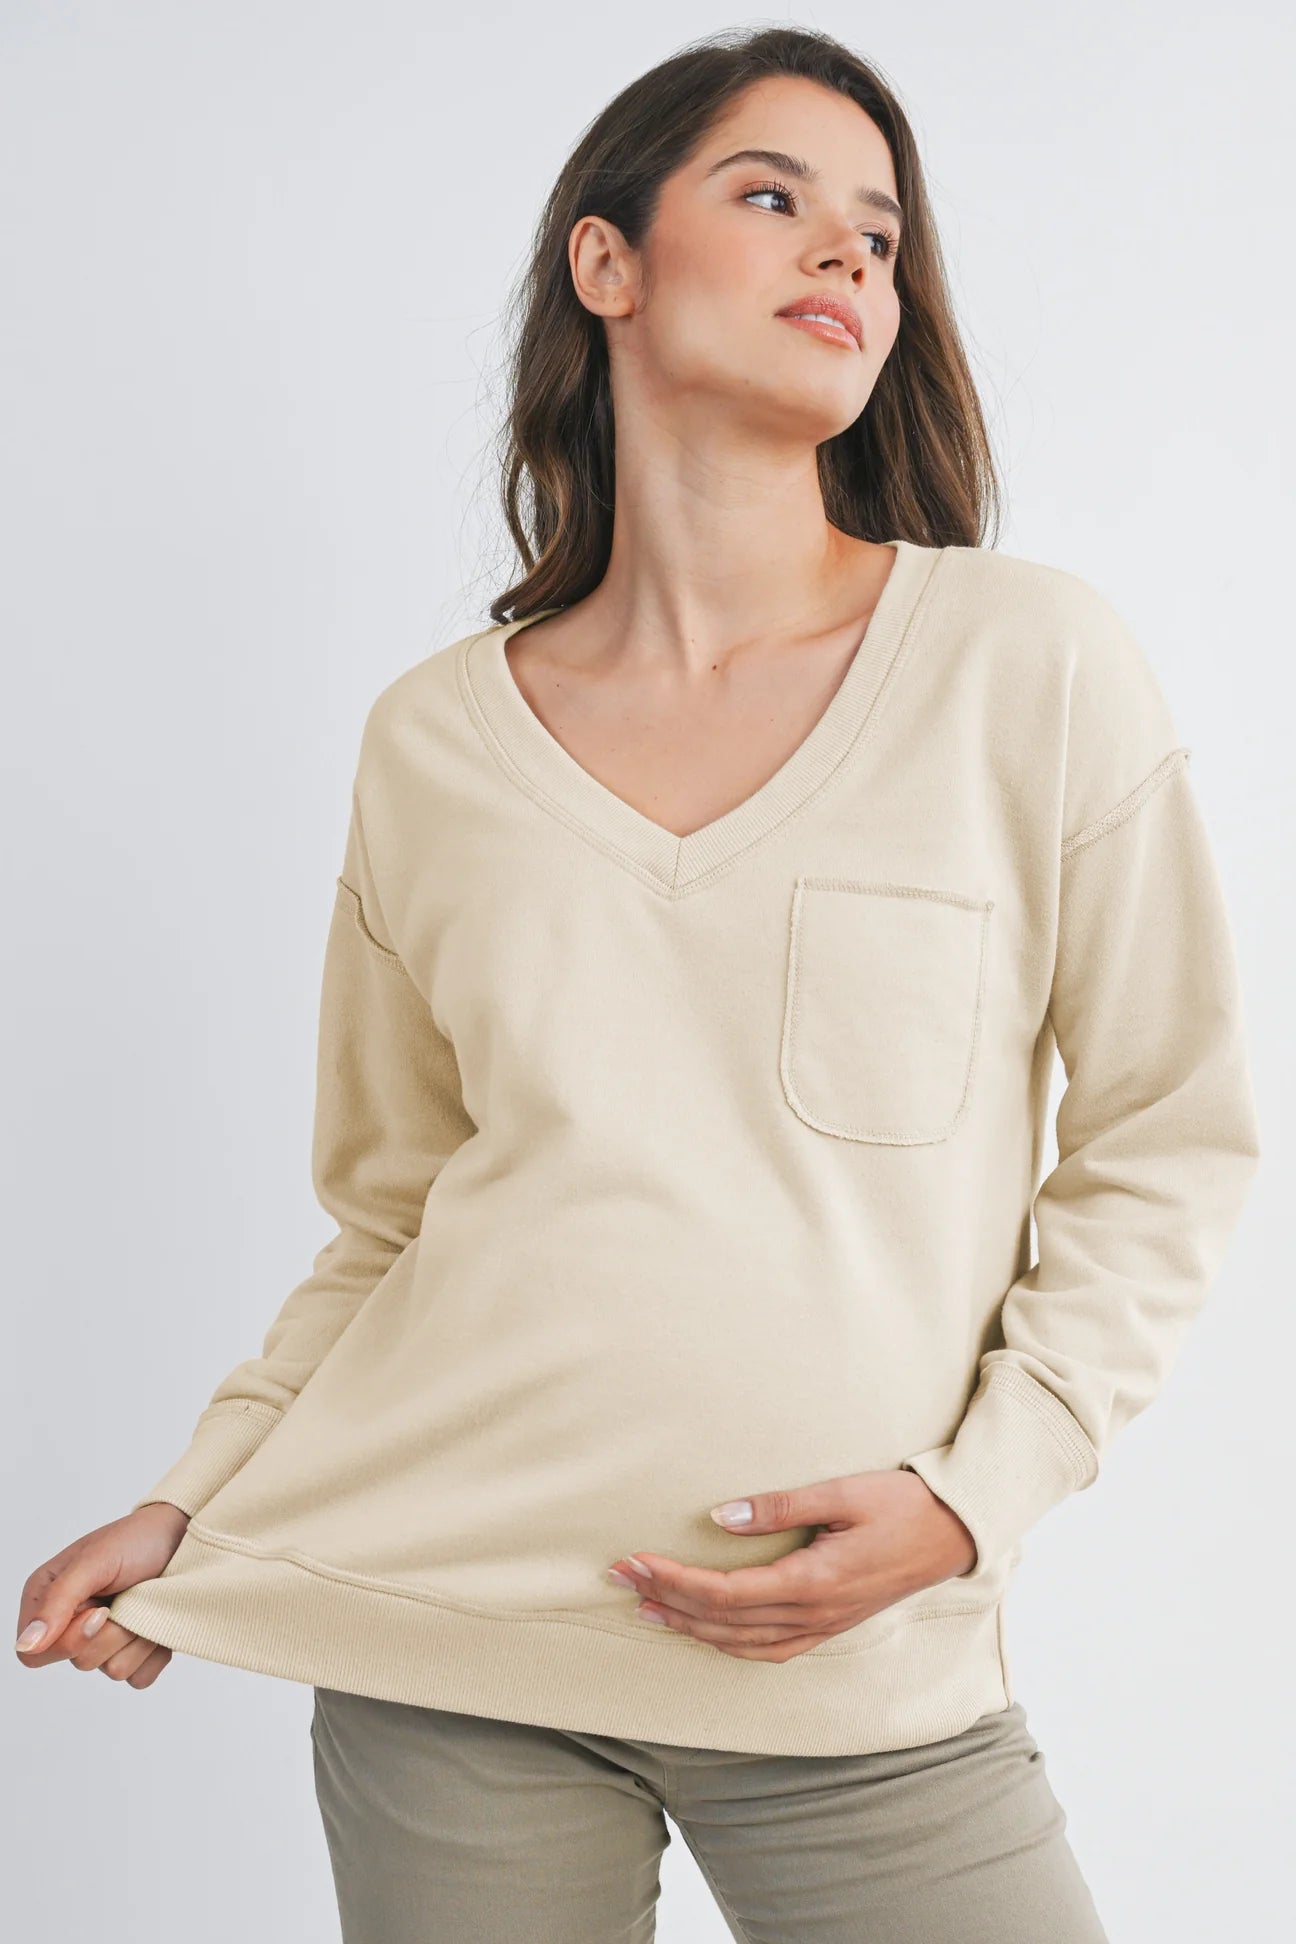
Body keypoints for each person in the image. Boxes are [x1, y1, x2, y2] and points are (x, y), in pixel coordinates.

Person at [15, 25, 1260, 1943]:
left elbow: (1169, 1138)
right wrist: (201, 1496)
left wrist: (973, 1499)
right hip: (445, 1657)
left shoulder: (1028, 666)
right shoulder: (433, 743)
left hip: (863, 1676)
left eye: (880, 235)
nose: (847, 255)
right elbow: (394, 1219)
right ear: (607, 261)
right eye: (774, 196)